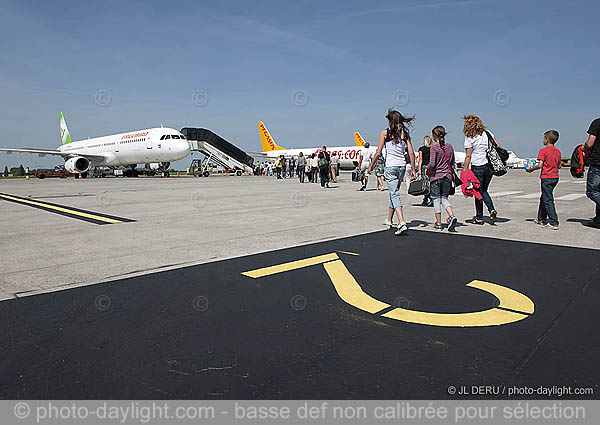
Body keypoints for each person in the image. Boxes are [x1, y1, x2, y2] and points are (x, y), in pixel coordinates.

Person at [367, 108, 416, 235]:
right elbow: (411, 152)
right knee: (393, 194)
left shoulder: (385, 133)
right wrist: (414, 170)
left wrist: (371, 166)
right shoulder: (405, 133)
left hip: (390, 167)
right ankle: (389, 220)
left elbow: (378, 152)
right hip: (402, 167)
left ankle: (401, 222)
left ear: (390, 121)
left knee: (394, 194)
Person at [462, 114, 502, 225]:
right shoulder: (488, 133)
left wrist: (464, 170)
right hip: (489, 166)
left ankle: (479, 217)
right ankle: (491, 209)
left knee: (478, 192)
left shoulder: (469, 138)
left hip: (477, 166)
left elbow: (468, 156)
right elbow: (498, 146)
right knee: (484, 190)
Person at [526, 130, 561, 230]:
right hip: (555, 177)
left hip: (546, 177)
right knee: (544, 197)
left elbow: (540, 165)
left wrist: (531, 169)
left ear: (546, 139)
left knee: (548, 199)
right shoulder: (558, 151)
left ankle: (554, 222)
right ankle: (541, 218)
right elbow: (559, 165)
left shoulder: (543, 151)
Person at [426, 126, 458, 231]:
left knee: (436, 199)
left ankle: (439, 223)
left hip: (436, 177)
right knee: (444, 198)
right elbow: (452, 163)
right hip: (447, 176)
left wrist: (427, 170)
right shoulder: (450, 147)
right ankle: (451, 215)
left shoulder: (434, 148)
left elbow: (432, 163)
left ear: (434, 136)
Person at [582, 118, 600, 228]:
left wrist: (584, 148)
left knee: (592, 191)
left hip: (598, 161)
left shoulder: (597, 122)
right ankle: (598, 220)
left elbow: (590, 143)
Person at [417, 136, 434, 206]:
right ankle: (430, 198)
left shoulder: (421, 149)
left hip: (424, 166)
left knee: (425, 184)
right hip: (431, 167)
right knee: (431, 183)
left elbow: (420, 159)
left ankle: (427, 198)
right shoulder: (433, 149)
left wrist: (419, 169)